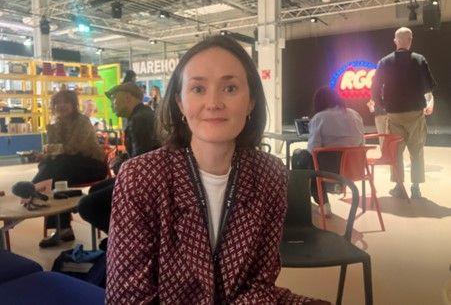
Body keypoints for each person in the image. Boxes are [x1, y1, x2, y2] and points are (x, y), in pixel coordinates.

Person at [106, 36, 329, 304]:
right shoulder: (140, 177)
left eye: (231, 88)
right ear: (180, 103)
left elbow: (259, 283)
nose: (213, 103)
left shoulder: (271, 174)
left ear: (251, 102)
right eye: (198, 89)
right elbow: (128, 298)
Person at [78, 82, 160, 238]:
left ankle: (127, 239)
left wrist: (120, 165)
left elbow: (141, 164)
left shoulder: (139, 120)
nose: (112, 105)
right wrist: (122, 158)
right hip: (149, 179)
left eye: (115, 99)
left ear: (128, 98)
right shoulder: (142, 115)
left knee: (87, 206)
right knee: (95, 190)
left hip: (145, 184)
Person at [32, 90, 107, 248]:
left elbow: (73, 148)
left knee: (56, 170)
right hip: (67, 167)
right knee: (54, 173)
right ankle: (64, 228)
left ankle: (33, 189)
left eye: (65, 102)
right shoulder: (55, 125)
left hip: (92, 164)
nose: (61, 105)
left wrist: (51, 151)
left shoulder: (83, 121)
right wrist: (44, 155)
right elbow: (54, 152)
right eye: (58, 102)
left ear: (74, 104)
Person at [372, 27, 436, 199]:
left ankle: (399, 187)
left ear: (395, 41)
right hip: (415, 113)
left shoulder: (384, 62)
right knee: (417, 151)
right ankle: (416, 187)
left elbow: (375, 88)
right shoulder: (419, 59)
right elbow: (429, 86)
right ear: (410, 40)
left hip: (394, 114)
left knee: (396, 152)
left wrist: (383, 105)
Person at [292, 86, 364, 216]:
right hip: (354, 169)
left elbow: (312, 149)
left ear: (318, 102)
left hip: (328, 170)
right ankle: (329, 192)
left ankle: (318, 202)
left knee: (301, 156)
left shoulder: (319, 118)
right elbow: (361, 142)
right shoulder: (355, 115)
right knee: (311, 160)